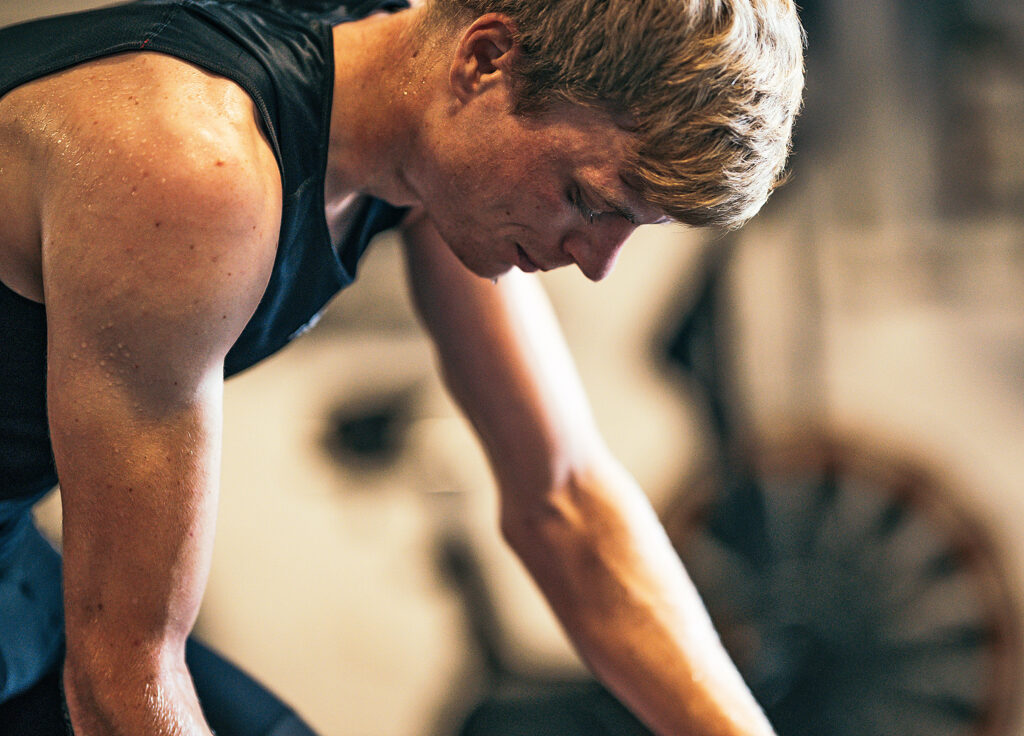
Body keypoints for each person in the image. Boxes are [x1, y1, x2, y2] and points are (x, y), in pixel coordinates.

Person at [0, 0, 804, 733]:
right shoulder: (193, 168)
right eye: (589, 201)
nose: (597, 263)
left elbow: (566, 502)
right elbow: (121, 676)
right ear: (486, 60)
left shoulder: (419, 127)